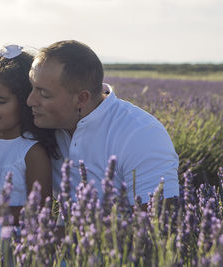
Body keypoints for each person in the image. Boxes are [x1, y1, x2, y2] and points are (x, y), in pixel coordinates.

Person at [27, 40, 179, 207]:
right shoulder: (48, 128)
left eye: (44, 94)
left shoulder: (142, 135)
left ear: (81, 98)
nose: (30, 101)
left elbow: (157, 224)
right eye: (32, 88)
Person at [0, 45, 59, 225]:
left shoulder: (32, 151)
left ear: (26, 101)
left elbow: (40, 212)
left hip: (14, 243)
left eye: (1, 101)